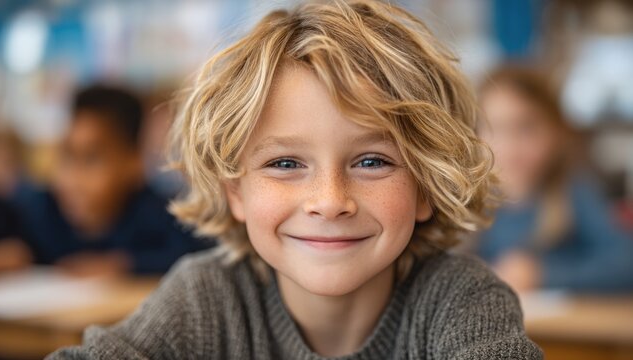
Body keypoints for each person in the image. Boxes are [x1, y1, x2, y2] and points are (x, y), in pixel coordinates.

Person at [48, 1, 541, 359]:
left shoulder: (462, 301)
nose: (329, 202)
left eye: (372, 161)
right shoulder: (208, 300)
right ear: (234, 189)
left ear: (427, 186)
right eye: (285, 164)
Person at [18, 85, 210, 277]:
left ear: (134, 162)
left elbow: (197, 256)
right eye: (67, 156)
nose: (72, 178)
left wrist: (127, 266)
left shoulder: (162, 217)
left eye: (91, 159)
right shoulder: (41, 212)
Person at [475, 65, 633, 293]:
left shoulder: (576, 193)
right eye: (495, 128)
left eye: (526, 128)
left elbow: (625, 263)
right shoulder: (471, 204)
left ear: (557, 132)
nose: (510, 147)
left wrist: (543, 274)